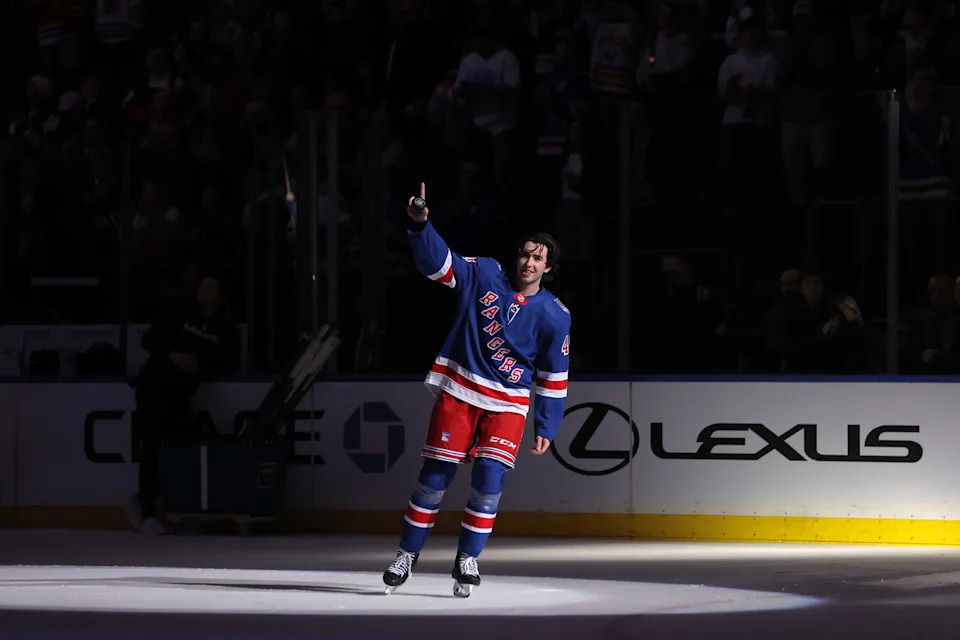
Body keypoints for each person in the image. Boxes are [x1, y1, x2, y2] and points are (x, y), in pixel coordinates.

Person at [382, 183, 572, 597]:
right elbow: (440, 264)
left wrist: (547, 423)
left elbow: (554, 374)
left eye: (538, 258)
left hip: (508, 402)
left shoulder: (556, 316)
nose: (528, 261)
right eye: (525, 253)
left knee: (489, 481)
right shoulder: (484, 272)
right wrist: (421, 225)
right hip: (461, 390)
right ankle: (406, 554)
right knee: (434, 478)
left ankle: (467, 558)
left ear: (547, 269)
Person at [124, 274, 240, 534]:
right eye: (202, 284)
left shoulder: (224, 328)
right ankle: (145, 507)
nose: (204, 289)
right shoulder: (180, 312)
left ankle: (177, 503)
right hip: (155, 385)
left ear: (221, 296)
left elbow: (229, 362)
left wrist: (200, 364)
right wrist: (172, 355)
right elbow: (149, 340)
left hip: (180, 393)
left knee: (182, 445)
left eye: (211, 286)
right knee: (152, 444)